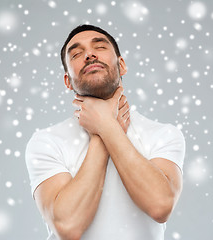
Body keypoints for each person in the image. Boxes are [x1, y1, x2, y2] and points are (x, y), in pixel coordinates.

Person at [25, 24, 185, 240]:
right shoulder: (46, 142)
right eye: (76, 54)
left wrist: (106, 127)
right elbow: (68, 226)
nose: (89, 55)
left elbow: (160, 206)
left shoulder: (163, 135)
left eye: (99, 47)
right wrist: (105, 128)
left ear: (122, 65)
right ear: (67, 81)